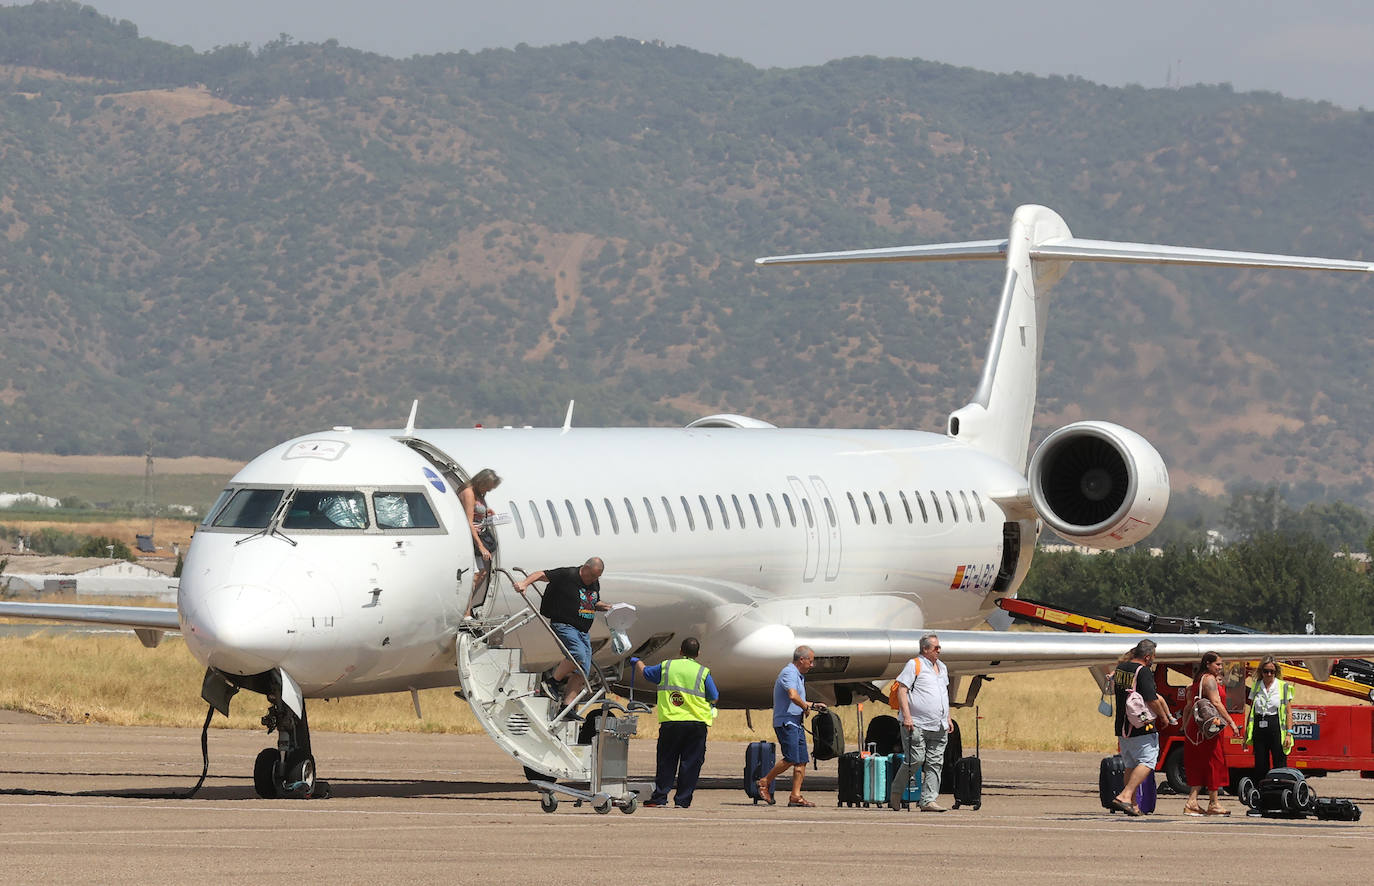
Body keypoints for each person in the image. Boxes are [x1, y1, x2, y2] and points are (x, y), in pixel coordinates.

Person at [513, 557, 608, 715]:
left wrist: (605, 606)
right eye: (591, 576)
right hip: (564, 624)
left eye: (596, 578)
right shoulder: (568, 574)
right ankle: (552, 682)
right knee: (576, 654)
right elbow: (540, 574)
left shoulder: (593, 582)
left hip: (583, 631)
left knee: (584, 670)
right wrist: (524, 584)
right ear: (584, 568)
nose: (592, 580)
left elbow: (591, 602)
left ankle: (567, 707)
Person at [631, 637, 718, 808]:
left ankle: (660, 798)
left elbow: (647, 673)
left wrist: (637, 661)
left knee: (666, 761)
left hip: (671, 722)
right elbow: (714, 696)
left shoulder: (667, 666)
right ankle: (683, 801)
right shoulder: (703, 671)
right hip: (696, 723)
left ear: (680, 651)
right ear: (698, 654)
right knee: (691, 762)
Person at [1110, 638, 1176, 816]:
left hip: (1122, 725)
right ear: (1147, 657)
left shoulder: (1121, 667)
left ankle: (1132, 804)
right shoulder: (1143, 671)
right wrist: (1163, 717)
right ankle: (1125, 795)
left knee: (1130, 764)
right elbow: (1151, 698)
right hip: (1141, 725)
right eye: (1153, 656)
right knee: (1148, 761)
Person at [889, 633, 952, 812]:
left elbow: (943, 693)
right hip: (916, 723)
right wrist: (907, 717)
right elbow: (902, 689)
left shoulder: (942, 667)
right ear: (925, 649)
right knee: (915, 760)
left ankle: (928, 800)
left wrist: (947, 717)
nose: (939, 650)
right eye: (935, 647)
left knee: (935, 762)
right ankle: (896, 792)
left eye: (939, 647)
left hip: (939, 724)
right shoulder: (914, 664)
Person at [757, 645, 826, 807]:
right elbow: (793, 696)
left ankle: (795, 796)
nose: (812, 665)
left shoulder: (799, 676)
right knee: (791, 758)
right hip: (786, 722)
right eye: (810, 661)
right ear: (801, 660)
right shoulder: (789, 672)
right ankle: (764, 782)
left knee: (801, 760)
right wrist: (805, 707)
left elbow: (798, 700)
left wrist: (814, 705)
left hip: (796, 723)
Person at [1182, 651, 1233, 816]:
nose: (1220, 667)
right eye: (1217, 664)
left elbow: (1189, 706)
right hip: (1208, 728)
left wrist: (1185, 726)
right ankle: (1214, 803)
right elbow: (1217, 703)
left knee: (1200, 764)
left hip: (1196, 729)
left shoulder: (1197, 681)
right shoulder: (1209, 680)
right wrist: (1231, 722)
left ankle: (1192, 801)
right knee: (1214, 762)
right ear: (1208, 664)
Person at [1243, 655, 1294, 783]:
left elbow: (1288, 712)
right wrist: (1246, 732)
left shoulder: (1283, 686)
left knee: (1279, 761)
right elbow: (1252, 710)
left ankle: (1280, 789)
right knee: (1260, 762)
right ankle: (1262, 790)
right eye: (1266, 671)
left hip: (1275, 725)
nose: (1269, 674)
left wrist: (1289, 733)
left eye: (1272, 671)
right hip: (1259, 726)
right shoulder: (1256, 686)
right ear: (1261, 671)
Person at [459, 468, 501, 618]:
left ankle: (466, 607)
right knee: (476, 574)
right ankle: (464, 611)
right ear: (481, 482)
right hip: (469, 539)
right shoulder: (469, 493)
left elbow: (476, 512)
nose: (488, 491)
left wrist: (486, 512)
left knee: (481, 573)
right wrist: (481, 546)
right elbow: (468, 522)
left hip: (477, 535)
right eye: (488, 487)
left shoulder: (479, 493)